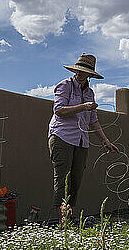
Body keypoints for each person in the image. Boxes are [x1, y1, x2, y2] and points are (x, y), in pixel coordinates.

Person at [47, 53, 119, 214]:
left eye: (83, 72)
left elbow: (93, 121)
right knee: (62, 180)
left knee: (76, 180)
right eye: (78, 71)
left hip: (81, 141)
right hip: (61, 137)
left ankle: (69, 216)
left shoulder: (89, 93)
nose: (79, 74)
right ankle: (57, 218)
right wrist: (83, 107)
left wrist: (106, 142)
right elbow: (59, 110)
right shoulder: (64, 85)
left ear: (89, 75)